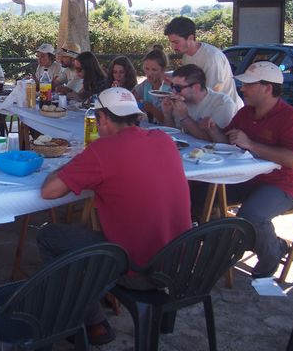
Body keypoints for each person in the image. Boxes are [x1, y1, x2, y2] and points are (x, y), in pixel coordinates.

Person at [37, 87, 191, 345]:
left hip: (140, 270)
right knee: (91, 234)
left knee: (49, 236)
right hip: (178, 263)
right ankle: (94, 296)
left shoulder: (103, 150)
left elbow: (49, 191)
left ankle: (92, 322)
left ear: (103, 119)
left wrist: (73, 164)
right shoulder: (164, 140)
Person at [206, 61, 293, 279]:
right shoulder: (246, 113)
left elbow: (292, 160)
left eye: (249, 84)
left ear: (268, 88)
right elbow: (228, 141)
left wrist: (251, 144)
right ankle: (227, 243)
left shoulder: (292, 118)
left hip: (280, 184)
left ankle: (269, 258)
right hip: (245, 178)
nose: (243, 88)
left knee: (250, 216)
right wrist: (213, 130)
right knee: (201, 195)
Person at [164, 17, 243, 107]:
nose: (173, 46)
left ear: (190, 38)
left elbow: (212, 92)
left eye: (176, 42)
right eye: (171, 42)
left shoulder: (212, 58)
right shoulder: (186, 56)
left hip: (225, 111)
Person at [162, 64, 237, 141]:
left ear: (196, 87)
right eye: (172, 86)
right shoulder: (181, 101)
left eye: (178, 88)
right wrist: (167, 114)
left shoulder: (222, 103)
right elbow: (172, 133)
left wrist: (185, 117)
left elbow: (213, 141)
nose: (174, 91)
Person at [132, 44, 171, 124]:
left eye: (154, 70)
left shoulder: (168, 89)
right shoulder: (146, 84)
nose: (149, 73)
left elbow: (170, 122)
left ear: (163, 70)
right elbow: (131, 97)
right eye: (146, 69)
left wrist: (151, 108)